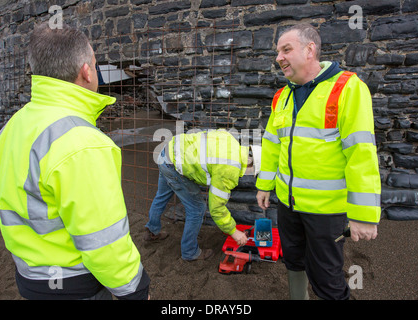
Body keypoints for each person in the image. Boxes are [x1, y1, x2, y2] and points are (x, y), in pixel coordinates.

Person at [0, 23, 150, 300]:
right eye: (95, 62)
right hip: (75, 284)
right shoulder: (82, 142)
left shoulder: (14, 125)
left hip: (30, 276)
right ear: (86, 71)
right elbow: (103, 240)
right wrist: (134, 290)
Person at [256, 24, 381, 300]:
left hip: (325, 212)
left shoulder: (347, 88)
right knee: (293, 261)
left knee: (327, 279)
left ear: (310, 50)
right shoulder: (282, 96)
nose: (279, 57)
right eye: (278, 51)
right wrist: (265, 185)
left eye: (286, 49)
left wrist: (363, 213)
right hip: (288, 206)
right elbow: (272, 145)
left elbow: (361, 153)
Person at [144, 129, 261, 261]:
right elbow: (216, 208)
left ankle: (152, 231)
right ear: (251, 165)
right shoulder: (229, 169)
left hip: (167, 152)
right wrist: (234, 232)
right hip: (174, 166)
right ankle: (190, 252)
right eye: (253, 174)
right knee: (197, 208)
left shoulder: (231, 140)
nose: (249, 175)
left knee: (161, 196)